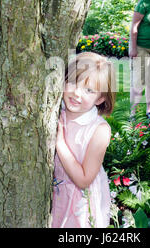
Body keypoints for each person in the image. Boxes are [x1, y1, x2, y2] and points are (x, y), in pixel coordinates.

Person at [51, 52, 116, 228]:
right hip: (55, 195)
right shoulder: (55, 112)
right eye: (72, 82)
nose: (77, 93)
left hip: (81, 203)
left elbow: (84, 179)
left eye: (89, 90)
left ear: (100, 98)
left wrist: (60, 143)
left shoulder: (98, 130)